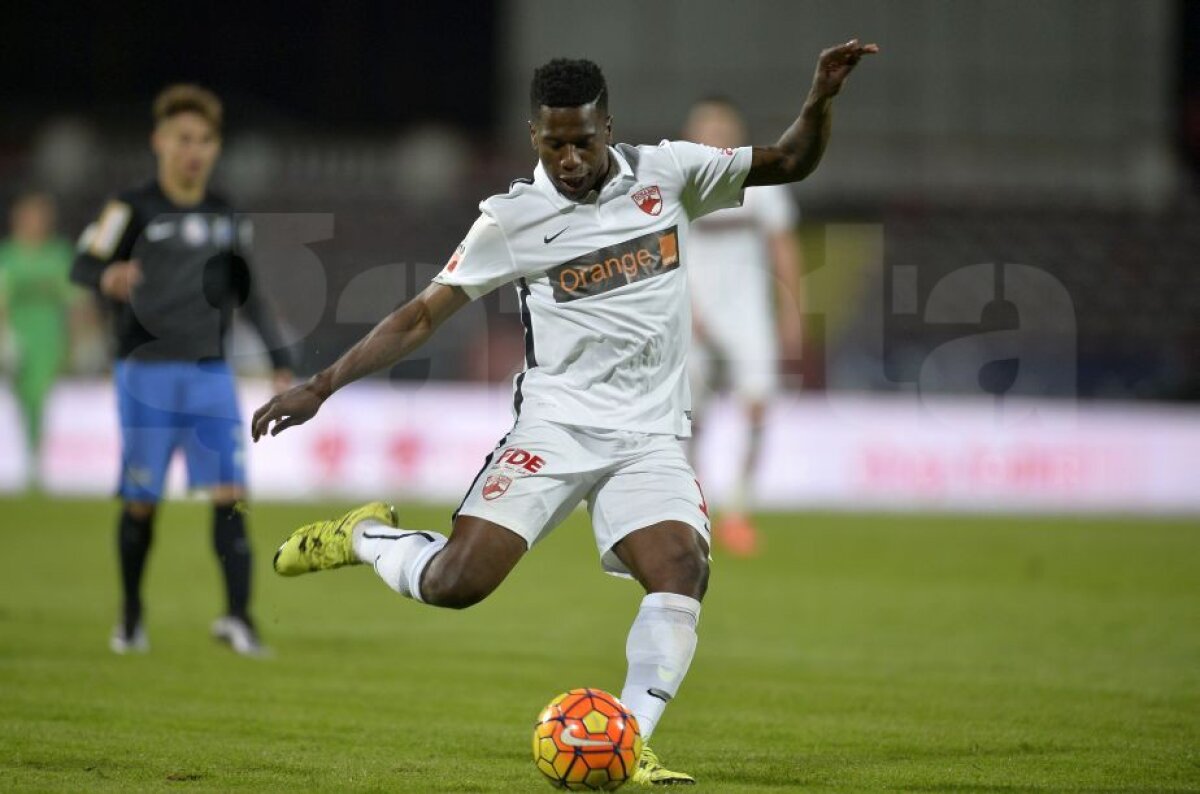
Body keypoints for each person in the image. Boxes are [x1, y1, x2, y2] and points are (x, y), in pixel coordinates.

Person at [252, 41, 877, 784]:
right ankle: (365, 536)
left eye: (583, 141)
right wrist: (321, 386)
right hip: (556, 429)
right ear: (534, 136)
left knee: (681, 569)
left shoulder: (670, 173)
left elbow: (790, 162)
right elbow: (420, 316)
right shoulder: (514, 219)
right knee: (457, 583)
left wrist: (820, 99)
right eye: (554, 145)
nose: (570, 159)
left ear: (608, 127)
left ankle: (629, 741)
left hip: (648, 436)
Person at [71, 84, 293, 657]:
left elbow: (248, 292)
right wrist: (107, 276)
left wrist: (279, 359)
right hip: (144, 373)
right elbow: (83, 262)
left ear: (216, 147)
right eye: (183, 139)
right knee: (142, 500)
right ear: (159, 142)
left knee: (231, 495)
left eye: (204, 140)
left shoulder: (224, 214)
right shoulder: (131, 208)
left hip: (211, 374)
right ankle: (131, 615)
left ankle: (238, 618)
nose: (193, 150)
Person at [682, 97, 805, 557]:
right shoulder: (679, 185)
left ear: (737, 132)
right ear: (692, 134)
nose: (715, 133)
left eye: (722, 125)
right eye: (706, 125)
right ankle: (695, 507)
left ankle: (739, 510)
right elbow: (662, 253)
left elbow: (783, 248)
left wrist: (792, 310)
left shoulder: (762, 185)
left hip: (749, 315)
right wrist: (681, 307)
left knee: (757, 406)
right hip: (691, 315)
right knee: (690, 418)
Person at [0, 191, 79, 485]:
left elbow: (74, 300)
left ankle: (37, 459)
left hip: (49, 336)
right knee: (22, 396)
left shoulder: (58, 254)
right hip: (16, 336)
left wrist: (78, 338)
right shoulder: (7, 255)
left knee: (40, 395)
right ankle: (26, 456)